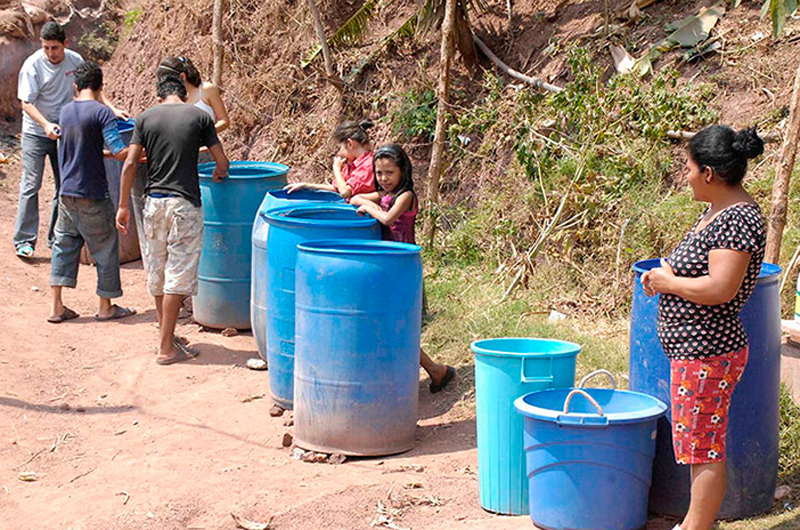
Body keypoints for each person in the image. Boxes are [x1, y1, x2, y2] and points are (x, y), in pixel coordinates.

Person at [641, 125, 766, 530]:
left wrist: (668, 283)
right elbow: (702, 270)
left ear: (709, 173)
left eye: (690, 167)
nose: (686, 176)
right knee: (697, 443)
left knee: (703, 448)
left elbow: (721, 288)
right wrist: (666, 273)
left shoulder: (738, 219)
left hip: (709, 353)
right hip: (695, 352)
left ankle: (695, 527)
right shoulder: (717, 211)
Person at [116, 75, 229, 366]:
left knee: (158, 271)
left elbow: (130, 163)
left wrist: (122, 206)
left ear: (159, 97)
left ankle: (167, 337)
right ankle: (166, 348)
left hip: (153, 204)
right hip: (184, 206)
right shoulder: (198, 116)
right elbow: (222, 161)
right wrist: (219, 172)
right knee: (177, 277)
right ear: (183, 94)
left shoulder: (145, 118)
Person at [14, 22, 127, 259]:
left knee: (62, 185)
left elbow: (91, 85)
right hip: (37, 131)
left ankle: (55, 238)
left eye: (54, 48)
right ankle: (24, 240)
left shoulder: (74, 60)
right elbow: (26, 103)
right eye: (46, 48)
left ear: (65, 44)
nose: (50, 53)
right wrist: (45, 124)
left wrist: (111, 108)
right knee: (31, 185)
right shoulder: (32, 66)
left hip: (65, 131)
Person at [352, 143, 455, 393]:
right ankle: (433, 371)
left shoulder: (405, 196)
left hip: (402, 267)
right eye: (379, 173)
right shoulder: (385, 196)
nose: (384, 178)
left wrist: (369, 207)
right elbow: (355, 196)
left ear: (403, 172)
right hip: (385, 267)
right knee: (389, 325)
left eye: (390, 173)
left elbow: (388, 218)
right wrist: (363, 200)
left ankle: (436, 371)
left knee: (399, 326)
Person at [48, 61, 137, 323]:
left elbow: (79, 147)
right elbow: (119, 150)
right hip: (92, 193)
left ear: (76, 87)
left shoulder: (64, 112)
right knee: (106, 247)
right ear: (100, 87)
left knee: (63, 247)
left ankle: (56, 307)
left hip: (66, 193)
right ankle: (106, 306)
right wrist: (139, 154)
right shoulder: (101, 113)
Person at [285, 120, 376, 201]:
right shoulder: (352, 165)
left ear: (350, 144)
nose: (339, 153)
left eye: (340, 148)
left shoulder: (368, 165)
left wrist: (336, 170)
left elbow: (345, 192)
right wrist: (306, 186)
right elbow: (336, 189)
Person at [156, 56, 230, 133]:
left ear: (182, 76)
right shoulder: (170, 100)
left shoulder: (206, 90)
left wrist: (205, 134)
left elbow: (224, 121)